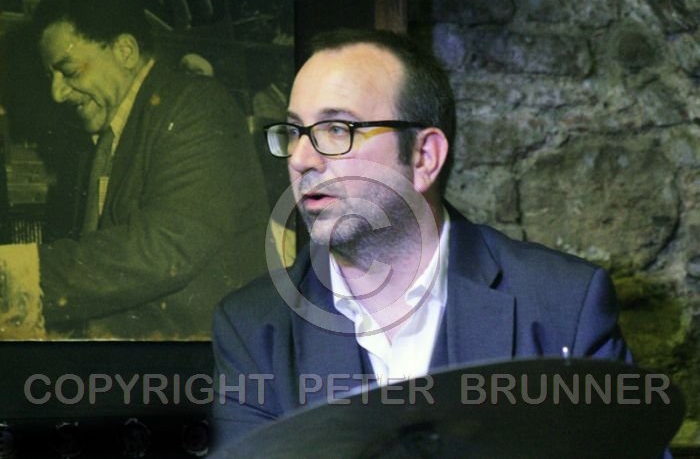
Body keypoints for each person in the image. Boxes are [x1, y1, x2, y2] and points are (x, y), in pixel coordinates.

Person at [210, 29, 632, 453]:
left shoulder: (564, 306)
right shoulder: (254, 329)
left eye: (337, 129)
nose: (301, 159)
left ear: (424, 157)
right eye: (294, 131)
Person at [0, 0, 268, 339]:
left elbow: (163, 250)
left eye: (69, 71)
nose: (57, 93)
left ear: (125, 51)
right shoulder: (105, 138)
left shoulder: (196, 105)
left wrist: (11, 277)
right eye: (50, 76)